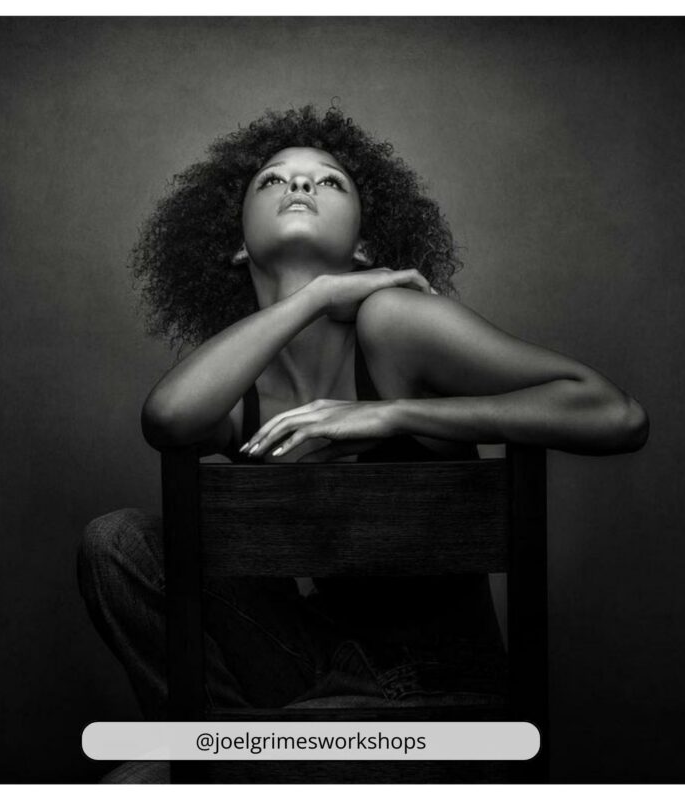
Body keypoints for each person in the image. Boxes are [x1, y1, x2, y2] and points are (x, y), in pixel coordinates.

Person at [78, 106, 648, 742]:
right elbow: (166, 419)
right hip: (311, 674)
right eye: (272, 181)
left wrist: (388, 413)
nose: (298, 186)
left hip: (436, 686)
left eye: (328, 181)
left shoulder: (393, 326)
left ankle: (232, 762)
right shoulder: (238, 385)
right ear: (238, 244)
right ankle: (233, 760)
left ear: (365, 246)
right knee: (118, 544)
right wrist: (318, 295)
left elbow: (614, 413)